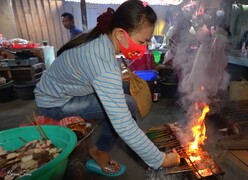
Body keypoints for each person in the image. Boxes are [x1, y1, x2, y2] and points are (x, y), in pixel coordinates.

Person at [34, 0, 180, 177]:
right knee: (126, 107)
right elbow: (123, 124)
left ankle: (120, 146)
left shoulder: (102, 40)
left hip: (60, 90)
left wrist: (117, 79)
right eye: (142, 41)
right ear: (120, 34)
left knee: (125, 92)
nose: (144, 48)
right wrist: (161, 160)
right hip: (54, 104)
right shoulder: (103, 62)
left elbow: (92, 72)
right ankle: (100, 152)